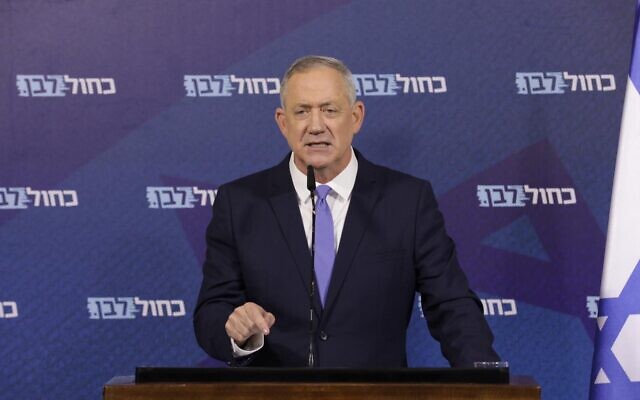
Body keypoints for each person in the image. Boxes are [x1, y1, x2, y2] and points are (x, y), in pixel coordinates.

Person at [194, 55, 500, 367]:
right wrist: (236, 330)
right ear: (282, 122)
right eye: (302, 112)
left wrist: (486, 379)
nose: (316, 126)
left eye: (329, 110)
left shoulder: (407, 200)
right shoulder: (240, 202)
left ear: (355, 117)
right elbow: (212, 310)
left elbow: (451, 304)